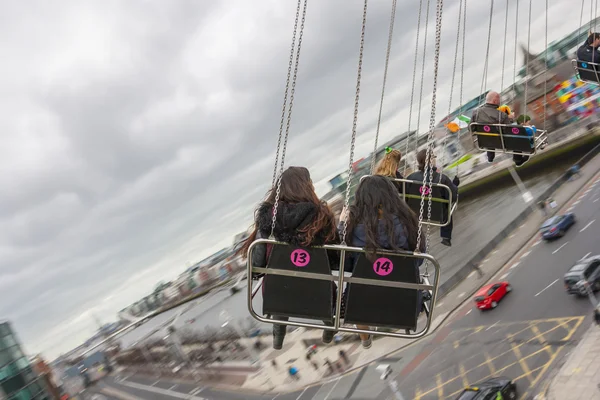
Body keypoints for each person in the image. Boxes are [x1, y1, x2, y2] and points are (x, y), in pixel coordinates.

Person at [239, 166, 339, 350]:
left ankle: (279, 331)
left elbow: (258, 262)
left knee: (279, 279)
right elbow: (335, 258)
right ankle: (329, 322)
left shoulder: (268, 219)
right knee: (320, 281)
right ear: (307, 186)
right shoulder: (322, 216)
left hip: (278, 291)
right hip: (318, 288)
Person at [342, 175, 426, 348]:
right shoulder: (408, 222)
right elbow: (418, 261)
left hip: (365, 304)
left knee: (353, 291)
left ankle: (365, 338)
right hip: (405, 301)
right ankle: (406, 323)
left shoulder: (351, 229)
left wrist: (342, 225)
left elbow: (345, 265)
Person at [407, 149, 459, 247]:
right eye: (434, 157)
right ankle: (446, 237)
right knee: (447, 208)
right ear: (430, 160)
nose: (435, 159)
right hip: (437, 213)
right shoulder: (442, 178)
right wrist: (455, 185)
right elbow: (453, 197)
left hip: (417, 212)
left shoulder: (410, 178)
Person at [472, 91, 530, 166]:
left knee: (488, 134)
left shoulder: (475, 113)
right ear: (495, 101)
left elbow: (471, 128)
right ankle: (518, 160)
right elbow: (510, 130)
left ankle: (490, 157)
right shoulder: (501, 115)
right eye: (499, 100)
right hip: (501, 142)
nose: (500, 102)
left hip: (485, 141)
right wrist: (511, 118)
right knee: (517, 132)